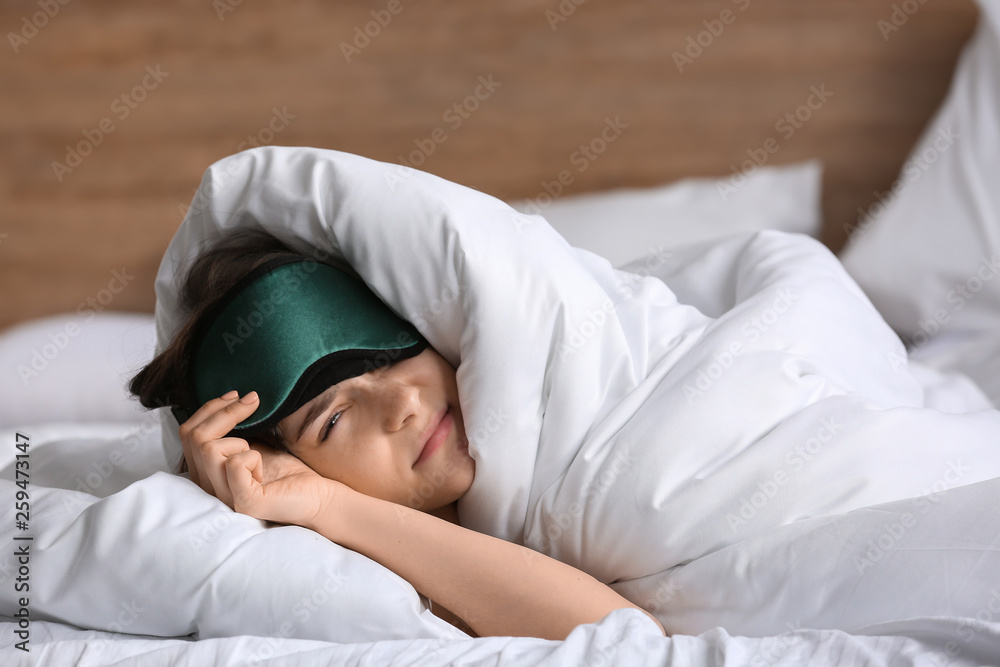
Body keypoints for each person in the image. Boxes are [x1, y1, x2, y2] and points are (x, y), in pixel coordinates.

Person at [129, 227, 666, 641]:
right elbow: (619, 644)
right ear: (281, 462)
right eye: (333, 419)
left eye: (396, 350)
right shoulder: (339, 592)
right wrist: (325, 505)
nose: (403, 403)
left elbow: (636, 644)